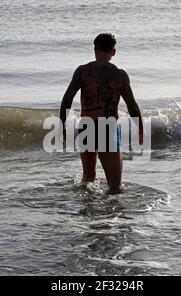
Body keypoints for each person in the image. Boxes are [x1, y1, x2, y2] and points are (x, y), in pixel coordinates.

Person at [60, 33, 143, 194]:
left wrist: (61, 124)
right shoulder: (120, 75)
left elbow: (67, 98)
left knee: (88, 180)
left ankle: (88, 213)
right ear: (113, 52)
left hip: (87, 126)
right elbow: (132, 105)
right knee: (115, 187)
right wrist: (140, 128)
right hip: (107, 127)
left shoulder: (83, 71)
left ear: (95, 50)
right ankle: (111, 215)